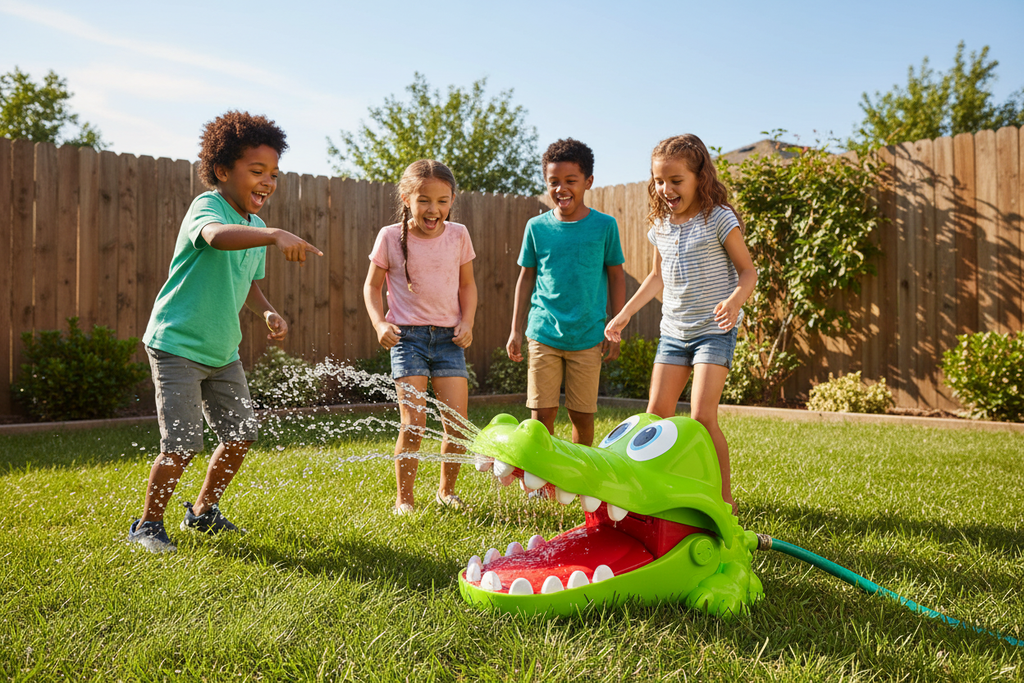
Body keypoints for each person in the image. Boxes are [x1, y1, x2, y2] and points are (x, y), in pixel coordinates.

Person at [128, 111, 322, 553]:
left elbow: (248, 281)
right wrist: (275, 234)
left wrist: (267, 311)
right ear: (221, 171)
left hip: (222, 350)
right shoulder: (209, 207)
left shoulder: (255, 229)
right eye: (257, 171)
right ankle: (147, 525)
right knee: (181, 444)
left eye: (274, 174)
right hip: (177, 344)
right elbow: (215, 237)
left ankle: (202, 511)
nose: (268, 182)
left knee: (240, 435)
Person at [605, 134, 756, 513]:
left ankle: (724, 502)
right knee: (655, 417)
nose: (666, 189)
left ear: (699, 177)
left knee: (702, 417)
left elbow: (748, 272)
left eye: (676, 180)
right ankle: (649, 495)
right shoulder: (661, 224)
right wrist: (625, 313)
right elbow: (656, 276)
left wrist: (734, 301)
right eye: (659, 180)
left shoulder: (718, 218)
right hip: (673, 332)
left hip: (713, 331)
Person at [363, 160, 478, 515]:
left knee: (457, 425)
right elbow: (372, 286)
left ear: (452, 200)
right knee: (414, 424)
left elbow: (467, 285)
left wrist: (467, 321)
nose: (433, 209)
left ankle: (447, 492)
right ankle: (405, 499)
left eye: (442, 201)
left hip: (449, 340)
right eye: (424, 200)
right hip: (407, 339)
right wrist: (379, 324)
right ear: (406, 198)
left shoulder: (458, 235)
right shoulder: (389, 237)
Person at [507, 138, 626, 448]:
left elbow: (616, 276)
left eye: (570, 180)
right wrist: (516, 330)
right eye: (554, 181)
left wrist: (615, 328)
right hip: (543, 331)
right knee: (541, 416)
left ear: (588, 181)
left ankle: (579, 473)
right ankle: (541, 475)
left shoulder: (605, 226)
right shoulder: (536, 227)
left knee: (582, 416)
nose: (561, 188)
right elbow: (526, 278)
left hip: (587, 334)